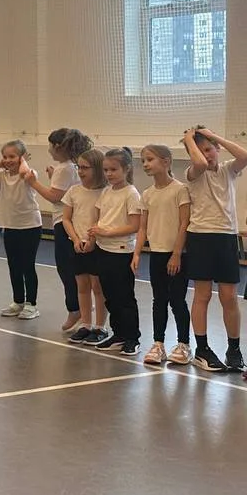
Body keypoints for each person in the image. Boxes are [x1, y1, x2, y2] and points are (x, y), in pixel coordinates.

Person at [180, 126, 247, 372]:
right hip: (201, 237)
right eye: (199, 151)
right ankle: (202, 349)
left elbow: (245, 156)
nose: (205, 155)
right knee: (203, 295)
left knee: (229, 296)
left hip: (226, 236)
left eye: (209, 150)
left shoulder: (228, 169)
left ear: (218, 148)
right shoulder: (193, 172)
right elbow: (198, 162)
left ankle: (234, 349)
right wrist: (189, 138)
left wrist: (213, 136)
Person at [26, 128, 93, 331]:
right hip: (73, 221)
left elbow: (55, 197)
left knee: (67, 269)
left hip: (64, 223)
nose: (49, 150)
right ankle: (81, 308)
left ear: (58, 146)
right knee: (75, 269)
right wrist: (53, 177)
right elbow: (64, 193)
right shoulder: (70, 167)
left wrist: (33, 183)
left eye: (50, 146)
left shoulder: (65, 168)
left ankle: (75, 309)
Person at [135, 144, 191, 366]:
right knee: (159, 300)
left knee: (177, 300)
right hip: (156, 254)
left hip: (177, 255)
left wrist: (176, 254)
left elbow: (184, 223)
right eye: (143, 160)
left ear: (166, 162)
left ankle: (184, 344)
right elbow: (142, 227)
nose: (145, 164)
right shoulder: (147, 194)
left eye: (150, 159)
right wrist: (137, 253)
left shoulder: (180, 190)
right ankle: (158, 344)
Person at [0, 140, 43, 320]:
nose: (7, 160)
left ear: (22, 157)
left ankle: (31, 304)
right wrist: (0, 163)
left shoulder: (30, 173)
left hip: (30, 225)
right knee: (14, 266)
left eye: (12, 156)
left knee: (27, 266)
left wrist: (22, 161)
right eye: (4, 156)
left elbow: (23, 172)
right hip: (10, 226)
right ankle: (18, 301)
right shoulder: (2, 175)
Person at [88, 148, 142, 355]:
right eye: (106, 170)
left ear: (126, 169)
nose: (109, 174)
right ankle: (118, 334)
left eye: (113, 169)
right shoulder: (106, 192)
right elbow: (99, 217)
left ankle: (132, 337)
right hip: (103, 249)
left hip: (121, 252)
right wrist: (93, 234)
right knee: (109, 295)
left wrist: (108, 232)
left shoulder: (131, 194)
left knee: (124, 296)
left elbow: (134, 225)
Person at [61, 150, 110, 345]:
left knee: (98, 287)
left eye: (85, 168)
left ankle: (100, 326)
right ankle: (86, 324)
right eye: (78, 167)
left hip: (97, 246)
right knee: (82, 286)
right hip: (78, 244)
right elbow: (66, 218)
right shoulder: (74, 191)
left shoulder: (105, 192)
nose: (80, 171)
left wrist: (92, 240)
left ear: (97, 169)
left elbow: (102, 220)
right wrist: (75, 239)